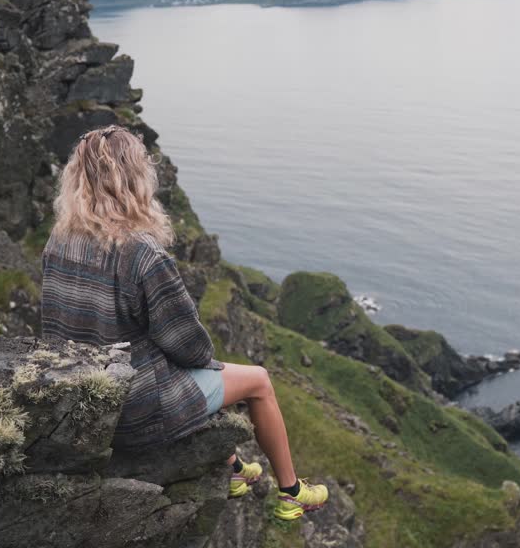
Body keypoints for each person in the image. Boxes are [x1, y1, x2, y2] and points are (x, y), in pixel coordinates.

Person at [39, 125, 327, 520]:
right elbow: (191, 348)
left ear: (79, 179)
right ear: (135, 179)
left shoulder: (59, 240)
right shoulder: (141, 252)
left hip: (83, 396)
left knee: (175, 366)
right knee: (258, 381)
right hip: (133, 408)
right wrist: (208, 362)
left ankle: (235, 470)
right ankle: (292, 491)